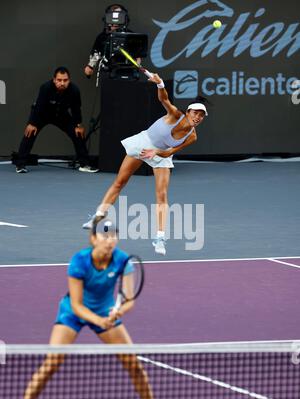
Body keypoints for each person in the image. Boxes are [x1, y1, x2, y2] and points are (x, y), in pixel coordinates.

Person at [9, 219, 170, 399]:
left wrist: (119, 312)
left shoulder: (123, 261)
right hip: (73, 314)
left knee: (133, 364)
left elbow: (129, 298)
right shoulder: (79, 261)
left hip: (105, 312)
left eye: (114, 235)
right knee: (51, 363)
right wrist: (98, 320)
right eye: (105, 236)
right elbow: (76, 304)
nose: (110, 240)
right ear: (93, 238)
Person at [82, 74, 208, 256]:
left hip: (160, 154)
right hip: (144, 143)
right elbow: (163, 98)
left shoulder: (192, 136)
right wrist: (161, 84)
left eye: (201, 116)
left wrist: (156, 153)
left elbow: (169, 152)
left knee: (162, 195)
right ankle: (98, 215)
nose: (197, 117)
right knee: (120, 181)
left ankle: (160, 237)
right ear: (188, 112)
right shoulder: (175, 115)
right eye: (195, 113)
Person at [14, 66, 99, 174]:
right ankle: (20, 164)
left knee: (78, 133)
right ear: (54, 80)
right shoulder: (45, 88)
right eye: (59, 80)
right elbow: (38, 106)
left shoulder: (74, 90)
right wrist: (32, 123)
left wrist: (78, 125)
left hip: (61, 115)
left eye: (65, 80)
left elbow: (76, 109)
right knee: (30, 132)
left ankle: (84, 164)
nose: (62, 83)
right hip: (42, 114)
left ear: (69, 80)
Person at [84, 4, 141, 79]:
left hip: (128, 73)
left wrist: (136, 68)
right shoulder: (102, 37)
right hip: (108, 73)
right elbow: (96, 54)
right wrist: (90, 66)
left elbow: (138, 57)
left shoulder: (131, 36)